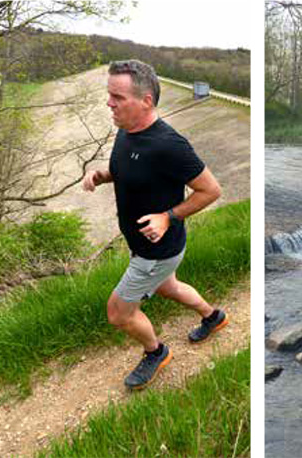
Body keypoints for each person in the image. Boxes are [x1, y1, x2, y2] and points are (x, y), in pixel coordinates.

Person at [83, 59, 228, 390]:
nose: (109, 103)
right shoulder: (126, 130)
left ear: (145, 101)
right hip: (148, 247)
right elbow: (127, 172)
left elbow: (211, 190)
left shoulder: (169, 145)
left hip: (157, 250)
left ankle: (156, 351)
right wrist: (102, 175)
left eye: (117, 97)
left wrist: (168, 216)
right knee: (168, 287)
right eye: (110, 95)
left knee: (119, 312)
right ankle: (213, 317)